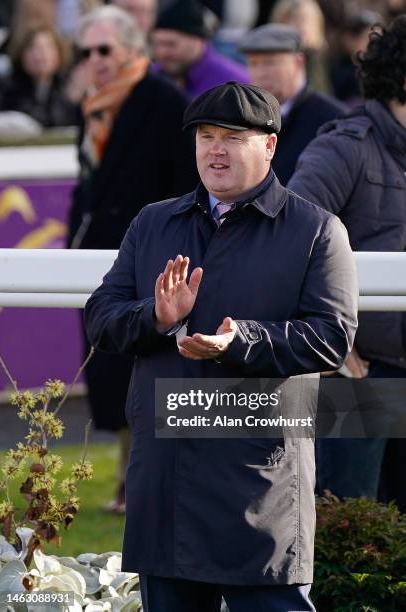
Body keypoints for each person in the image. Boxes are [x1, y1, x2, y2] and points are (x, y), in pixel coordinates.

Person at [84, 80, 358, 611]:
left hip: (258, 486)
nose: (215, 150)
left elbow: (331, 337)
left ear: (270, 146)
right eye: (206, 137)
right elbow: (100, 317)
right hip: (165, 481)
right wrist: (156, 317)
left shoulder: (317, 230)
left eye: (232, 138)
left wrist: (242, 342)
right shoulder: (154, 222)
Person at [67, 5, 199, 513]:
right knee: (109, 369)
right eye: (86, 52)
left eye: (105, 50)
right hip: (100, 251)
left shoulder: (165, 102)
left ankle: (142, 482)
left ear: (132, 49)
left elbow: (181, 184)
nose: (95, 60)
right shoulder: (94, 105)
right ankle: (129, 480)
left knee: (143, 370)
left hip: (150, 258)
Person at [288, 15, 406, 511]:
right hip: (362, 373)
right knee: (348, 521)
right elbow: (286, 238)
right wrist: (329, 343)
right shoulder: (344, 145)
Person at [239, 23, 345, 185]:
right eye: (253, 63)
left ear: (298, 62)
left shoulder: (333, 119)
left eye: (270, 63)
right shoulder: (243, 117)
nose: (260, 73)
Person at [152, 0, 249, 98]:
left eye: (170, 44)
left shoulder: (234, 85)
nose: (162, 52)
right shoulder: (150, 76)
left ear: (198, 41)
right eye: (156, 44)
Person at [0, 25, 77, 127]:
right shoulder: (7, 89)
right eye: (33, 47)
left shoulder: (67, 86)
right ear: (21, 54)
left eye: (48, 47)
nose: (42, 54)